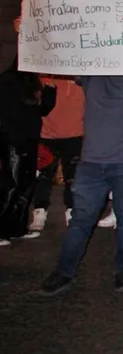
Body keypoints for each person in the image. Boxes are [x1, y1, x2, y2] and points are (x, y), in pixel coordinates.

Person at [40, 14, 123, 295]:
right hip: (92, 160)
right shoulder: (91, 72)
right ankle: (63, 271)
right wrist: (29, 35)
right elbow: (54, 60)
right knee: (81, 219)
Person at [1, 18, 57, 245]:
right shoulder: (8, 80)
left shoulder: (34, 83)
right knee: (11, 184)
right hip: (14, 141)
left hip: (30, 139)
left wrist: (50, 93)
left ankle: (17, 226)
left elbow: (42, 111)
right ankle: (2, 228)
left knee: (25, 185)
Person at [31, 75, 83, 233]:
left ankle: (72, 210)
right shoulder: (43, 76)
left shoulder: (84, 78)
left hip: (75, 134)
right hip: (47, 135)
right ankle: (39, 211)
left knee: (73, 177)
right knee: (43, 176)